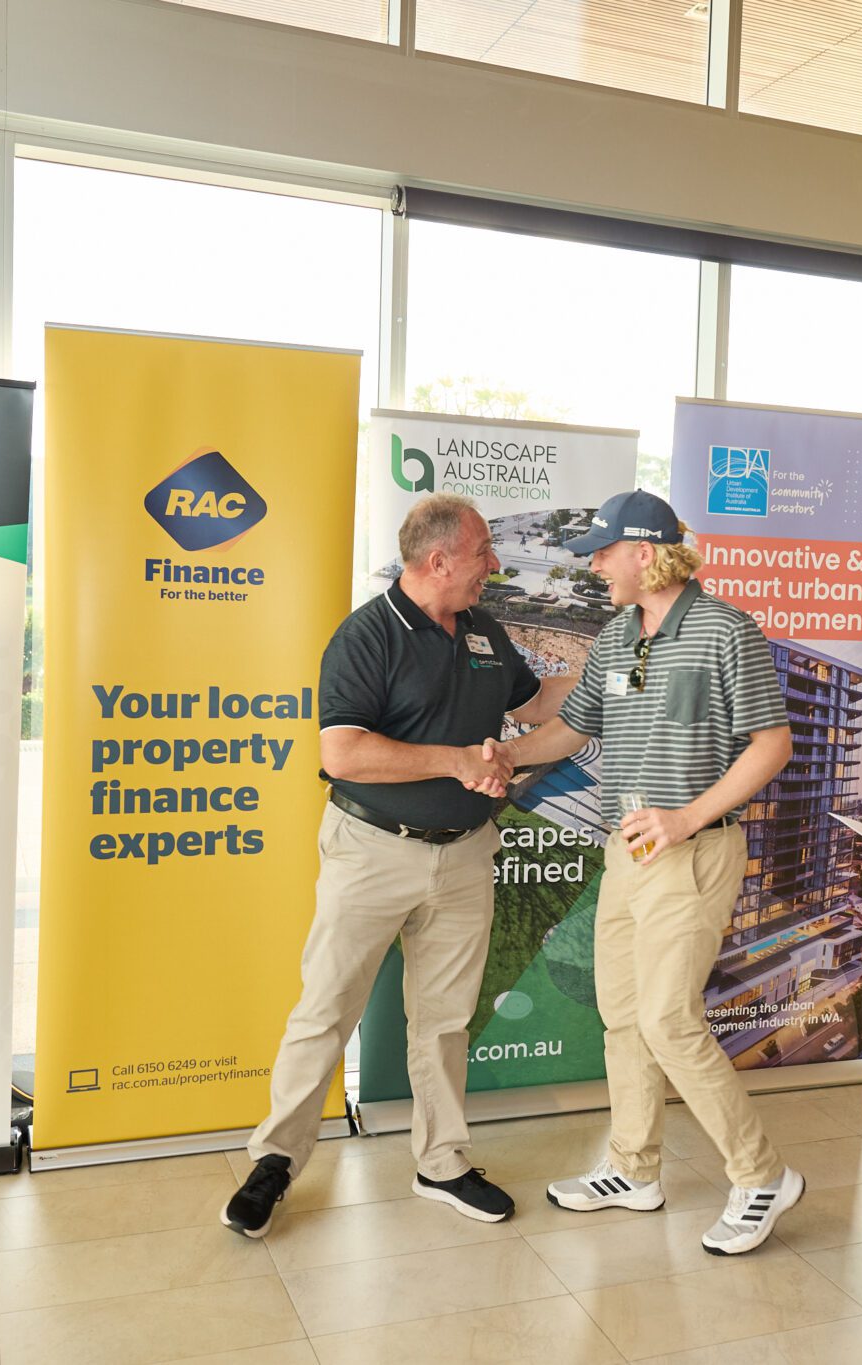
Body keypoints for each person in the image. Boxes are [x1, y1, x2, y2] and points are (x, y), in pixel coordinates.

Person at [220, 494, 572, 1238]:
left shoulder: (483, 629)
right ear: (438, 560)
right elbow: (343, 753)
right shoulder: (367, 635)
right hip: (373, 851)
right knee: (326, 1009)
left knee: (444, 1021)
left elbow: (538, 702)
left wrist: (623, 672)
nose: (494, 564)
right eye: (482, 552)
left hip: (466, 854)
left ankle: (441, 1162)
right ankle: (274, 1161)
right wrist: (456, 761)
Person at [485, 489, 806, 1255]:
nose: (594, 566)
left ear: (644, 552)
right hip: (626, 852)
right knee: (624, 1014)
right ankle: (634, 1167)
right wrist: (505, 755)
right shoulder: (618, 634)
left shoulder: (725, 631)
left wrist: (686, 817)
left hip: (691, 851)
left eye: (602, 552)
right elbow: (572, 729)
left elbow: (773, 745)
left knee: (667, 1018)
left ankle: (762, 1174)